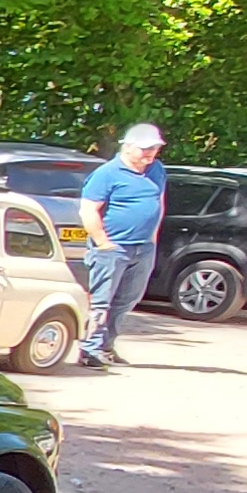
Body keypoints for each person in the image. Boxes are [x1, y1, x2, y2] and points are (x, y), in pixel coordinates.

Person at [73, 123, 169, 366]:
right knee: (101, 301)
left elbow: (159, 202)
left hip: (143, 248)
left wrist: (153, 239)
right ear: (127, 147)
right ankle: (89, 349)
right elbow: (88, 210)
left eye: (155, 148)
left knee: (126, 300)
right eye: (145, 149)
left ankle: (106, 346)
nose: (150, 154)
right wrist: (103, 243)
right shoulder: (107, 174)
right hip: (113, 249)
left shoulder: (156, 170)